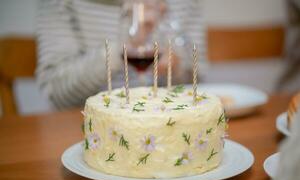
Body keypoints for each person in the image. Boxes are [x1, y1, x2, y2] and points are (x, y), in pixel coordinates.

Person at [36, 0, 206, 109]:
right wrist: (122, 48)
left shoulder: (186, 3)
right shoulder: (61, 3)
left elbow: (199, 80)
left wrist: (177, 68)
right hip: (83, 128)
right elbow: (56, 92)